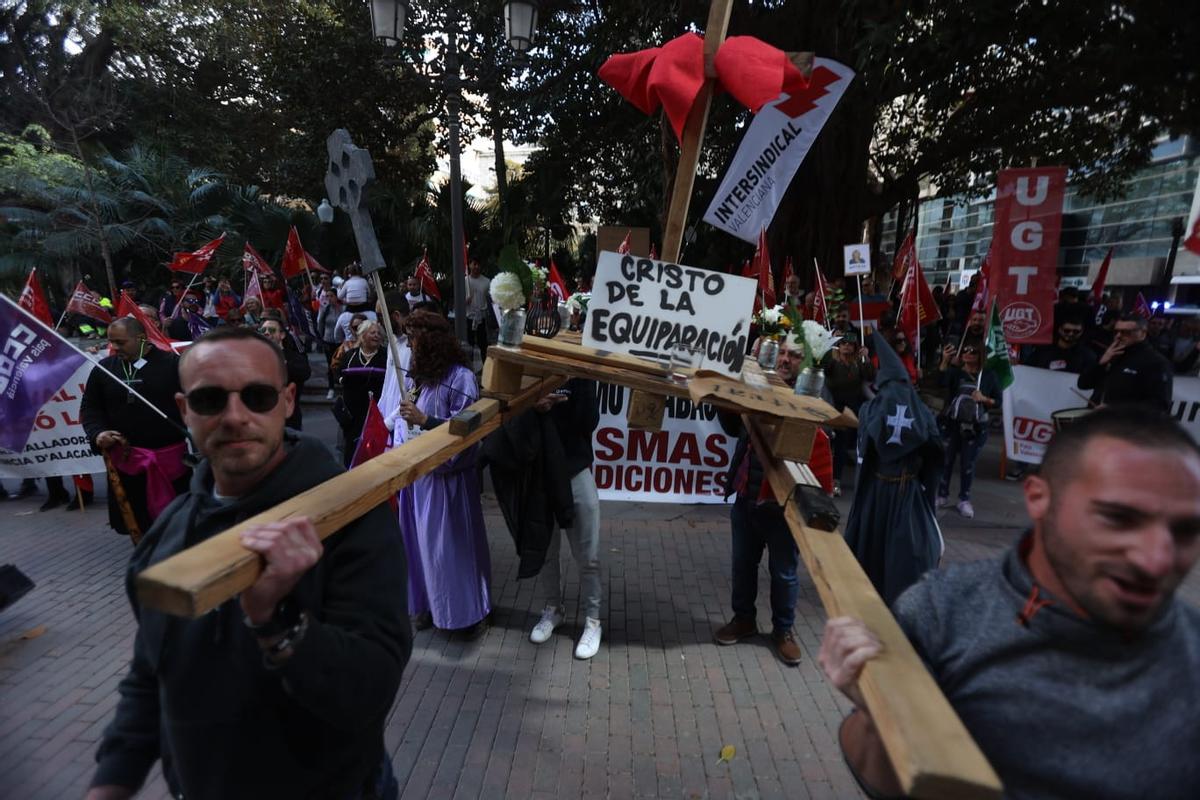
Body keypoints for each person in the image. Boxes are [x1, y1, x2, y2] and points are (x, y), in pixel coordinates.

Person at [86, 326, 411, 800]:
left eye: (257, 396)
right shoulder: (167, 535)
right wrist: (111, 780)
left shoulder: (350, 520)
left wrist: (276, 622)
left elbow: (369, 691)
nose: (234, 417)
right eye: (210, 400)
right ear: (184, 410)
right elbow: (150, 674)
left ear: (288, 400)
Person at [819, 407, 1200, 799]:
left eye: (1186, 530)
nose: (1156, 560)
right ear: (1039, 498)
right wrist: (877, 707)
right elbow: (885, 780)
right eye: (1119, 518)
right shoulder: (942, 611)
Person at [390, 310, 491, 637]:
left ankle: (464, 614)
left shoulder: (461, 378)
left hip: (447, 482)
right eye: (409, 337)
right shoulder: (417, 377)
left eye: (416, 337)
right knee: (418, 549)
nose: (411, 344)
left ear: (433, 340)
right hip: (416, 481)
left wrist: (424, 421)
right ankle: (428, 605)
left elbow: (469, 430)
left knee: (448, 551)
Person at [713, 339, 808, 666]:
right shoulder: (755, 382)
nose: (785, 359)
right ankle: (744, 619)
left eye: (794, 356)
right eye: (782, 352)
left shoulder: (814, 393)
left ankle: (783, 631)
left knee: (784, 572)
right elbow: (731, 427)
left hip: (784, 502)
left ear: (805, 361)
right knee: (742, 564)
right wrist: (724, 397)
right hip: (747, 493)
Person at [80, 317, 190, 538]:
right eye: (112, 342)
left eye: (121, 342)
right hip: (127, 464)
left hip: (172, 465)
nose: (115, 348)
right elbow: (91, 409)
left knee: (179, 524)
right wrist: (98, 433)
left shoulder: (173, 365)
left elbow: (194, 406)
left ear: (141, 339)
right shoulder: (105, 369)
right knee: (138, 525)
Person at [526, 379, 604, 659]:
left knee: (587, 554)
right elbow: (512, 418)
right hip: (541, 472)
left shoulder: (579, 375)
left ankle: (593, 620)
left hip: (574, 470)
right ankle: (553, 608)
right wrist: (533, 408)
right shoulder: (533, 370)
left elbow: (589, 421)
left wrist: (556, 406)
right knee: (547, 550)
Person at [935, 339, 1002, 519]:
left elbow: (998, 401)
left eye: (972, 350)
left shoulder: (988, 376)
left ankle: (964, 499)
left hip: (976, 426)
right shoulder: (956, 373)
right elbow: (941, 382)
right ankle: (942, 494)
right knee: (947, 460)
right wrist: (944, 361)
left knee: (967, 464)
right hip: (953, 424)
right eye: (964, 350)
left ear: (980, 355)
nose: (967, 353)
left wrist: (984, 399)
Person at [1078, 312, 1173, 411]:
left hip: (1126, 423)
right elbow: (1083, 384)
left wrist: (1117, 410)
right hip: (1096, 418)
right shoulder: (1112, 354)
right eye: (1116, 331)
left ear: (1143, 333)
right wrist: (1101, 363)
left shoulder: (1156, 362)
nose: (1118, 336)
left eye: (1126, 332)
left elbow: (1160, 405)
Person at [822, 330, 875, 496]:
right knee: (826, 442)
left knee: (841, 446)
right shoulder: (833, 360)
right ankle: (822, 478)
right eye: (843, 343)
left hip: (848, 410)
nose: (846, 346)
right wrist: (829, 348)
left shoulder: (858, 363)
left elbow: (870, 375)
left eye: (850, 344)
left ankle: (836, 479)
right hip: (830, 406)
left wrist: (866, 358)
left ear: (855, 347)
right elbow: (824, 368)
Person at [337, 319, 387, 467]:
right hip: (352, 414)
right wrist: (341, 380)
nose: (376, 336)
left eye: (379, 333)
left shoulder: (386, 356)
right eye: (372, 333)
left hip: (377, 412)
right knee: (352, 450)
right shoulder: (350, 355)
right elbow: (338, 373)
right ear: (362, 335)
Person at [259, 317, 311, 430]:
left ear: (282, 335)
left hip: (288, 419)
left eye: (271, 330)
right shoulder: (253, 358)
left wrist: (283, 363)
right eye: (263, 331)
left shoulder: (294, 357)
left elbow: (304, 373)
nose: (266, 333)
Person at [1024, 313, 1097, 374]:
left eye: (1076, 332)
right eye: (1067, 330)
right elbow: (1027, 369)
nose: (1071, 334)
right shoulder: (1043, 351)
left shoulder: (1087, 355)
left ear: (1081, 332)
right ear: (1060, 330)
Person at [464, 257, 491, 365]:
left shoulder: (486, 281)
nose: (476, 267)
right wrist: (465, 301)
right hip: (468, 316)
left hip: (481, 316)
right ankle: (469, 366)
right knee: (468, 343)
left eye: (478, 264)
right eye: (474, 264)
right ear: (469, 265)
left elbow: (490, 299)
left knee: (483, 343)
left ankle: (485, 367)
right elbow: (458, 300)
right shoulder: (465, 281)